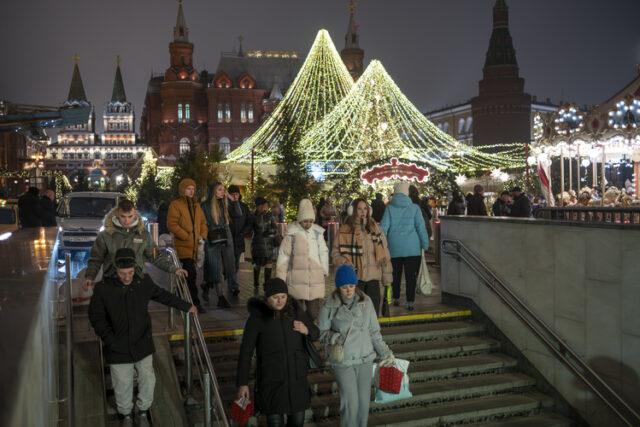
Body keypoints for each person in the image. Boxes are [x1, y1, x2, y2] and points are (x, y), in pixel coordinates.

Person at [89, 248, 197, 427]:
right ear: (115, 270)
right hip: (117, 346)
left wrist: (186, 306)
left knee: (148, 378)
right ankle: (126, 415)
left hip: (142, 342)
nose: (127, 277)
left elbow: (163, 295)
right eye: (123, 273)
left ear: (135, 269)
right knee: (122, 383)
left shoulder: (143, 282)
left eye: (130, 272)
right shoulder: (103, 289)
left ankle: (143, 410)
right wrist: (110, 340)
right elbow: (96, 317)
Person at [317, 264, 395, 427]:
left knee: (363, 404)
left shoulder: (366, 301)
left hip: (365, 359)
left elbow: (374, 332)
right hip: (343, 361)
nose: (349, 290)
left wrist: (385, 353)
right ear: (338, 287)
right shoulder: (329, 305)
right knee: (350, 403)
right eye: (345, 287)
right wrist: (334, 337)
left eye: (352, 286)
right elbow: (320, 332)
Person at [236, 278, 319, 427]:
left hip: (297, 381)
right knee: (275, 423)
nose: (280, 301)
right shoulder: (257, 317)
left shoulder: (295, 311)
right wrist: (243, 383)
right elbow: (246, 351)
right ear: (267, 298)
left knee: (297, 423)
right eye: (275, 297)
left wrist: (306, 330)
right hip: (271, 382)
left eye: (283, 296)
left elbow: (315, 333)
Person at [83, 199, 186, 291]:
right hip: (112, 283)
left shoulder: (143, 235)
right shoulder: (106, 235)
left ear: (135, 214)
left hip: (137, 283)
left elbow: (155, 256)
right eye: (123, 216)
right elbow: (96, 259)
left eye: (130, 216)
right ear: (117, 214)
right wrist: (89, 277)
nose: (127, 221)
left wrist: (174, 269)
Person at [332, 198, 392, 316]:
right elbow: (335, 253)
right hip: (354, 281)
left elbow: (385, 256)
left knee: (372, 316)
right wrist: (343, 261)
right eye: (359, 209)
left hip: (373, 281)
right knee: (356, 316)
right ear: (353, 211)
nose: (362, 211)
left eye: (365, 208)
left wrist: (387, 281)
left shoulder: (375, 229)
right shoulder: (344, 230)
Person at [276, 199, 329, 321]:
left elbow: (323, 252)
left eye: (311, 221)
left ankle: (308, 333)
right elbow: (284, 256)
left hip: (315, 280)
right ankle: (299, 335)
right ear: (300, 219)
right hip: (296, 280)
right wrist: (281, 278)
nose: (308, 224)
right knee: (296, 313)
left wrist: (324, 269)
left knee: (313, 313)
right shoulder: (292, 234)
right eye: (305, 221)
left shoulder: (317, 233)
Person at [380, 182, 429, 311]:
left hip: (394, 247)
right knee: (410, 276)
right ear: (407, 193)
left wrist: (380, 244)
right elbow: (421, 228)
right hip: (412, 248)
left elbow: (383, 228)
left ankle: (395, 298)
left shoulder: (389, 208)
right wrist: (425, 244)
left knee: (395, 274)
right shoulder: (415, 208)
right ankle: (410, 301)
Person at [167, 178, 208, 313]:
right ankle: (195, 303)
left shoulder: (197, 205)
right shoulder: (176, 205)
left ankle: (177, 296)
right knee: (191, 274)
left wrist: (202, 236)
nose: (191, 191)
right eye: (188, 188)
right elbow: (172, 224)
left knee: (185, 275)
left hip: (196, 246)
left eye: (193, 189)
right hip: (183, 245)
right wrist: (185, 236)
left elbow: (203, 223)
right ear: (183, 190)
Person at [201, 182, 236, 308]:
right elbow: (202, 223)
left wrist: (233, 200)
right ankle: (221, 297)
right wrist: (205, 237)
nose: (223, 192)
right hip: (212, 241)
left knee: (225, 268)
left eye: (223, 190)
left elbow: (238, 213)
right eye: (220, 190)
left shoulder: (224, 204)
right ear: (213, 191)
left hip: (225, 239)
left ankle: (206, 284)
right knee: (216, 270)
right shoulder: (205, 206)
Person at [250, 196, 279, 291]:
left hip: (269, 244)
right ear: (260, 206)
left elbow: (275, 228)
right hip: (257, 244)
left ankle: (267, 285)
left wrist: (269, 232)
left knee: (269, 263)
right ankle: (256, 282)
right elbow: (249, 229)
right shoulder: (253, 216)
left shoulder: (269, 215)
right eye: (265, 205)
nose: (267, 206)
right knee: (257, 264)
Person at [227, 184, 250, 289]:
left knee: (235, 264)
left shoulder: (244, 207)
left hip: (239, 239)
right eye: (233, 194)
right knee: (230, 263)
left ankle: (232, 283)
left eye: (236, 194)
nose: (235, 196)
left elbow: (248, 223)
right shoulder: (226, 206)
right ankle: (233, 285)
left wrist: (243, 233)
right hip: (229, 239)